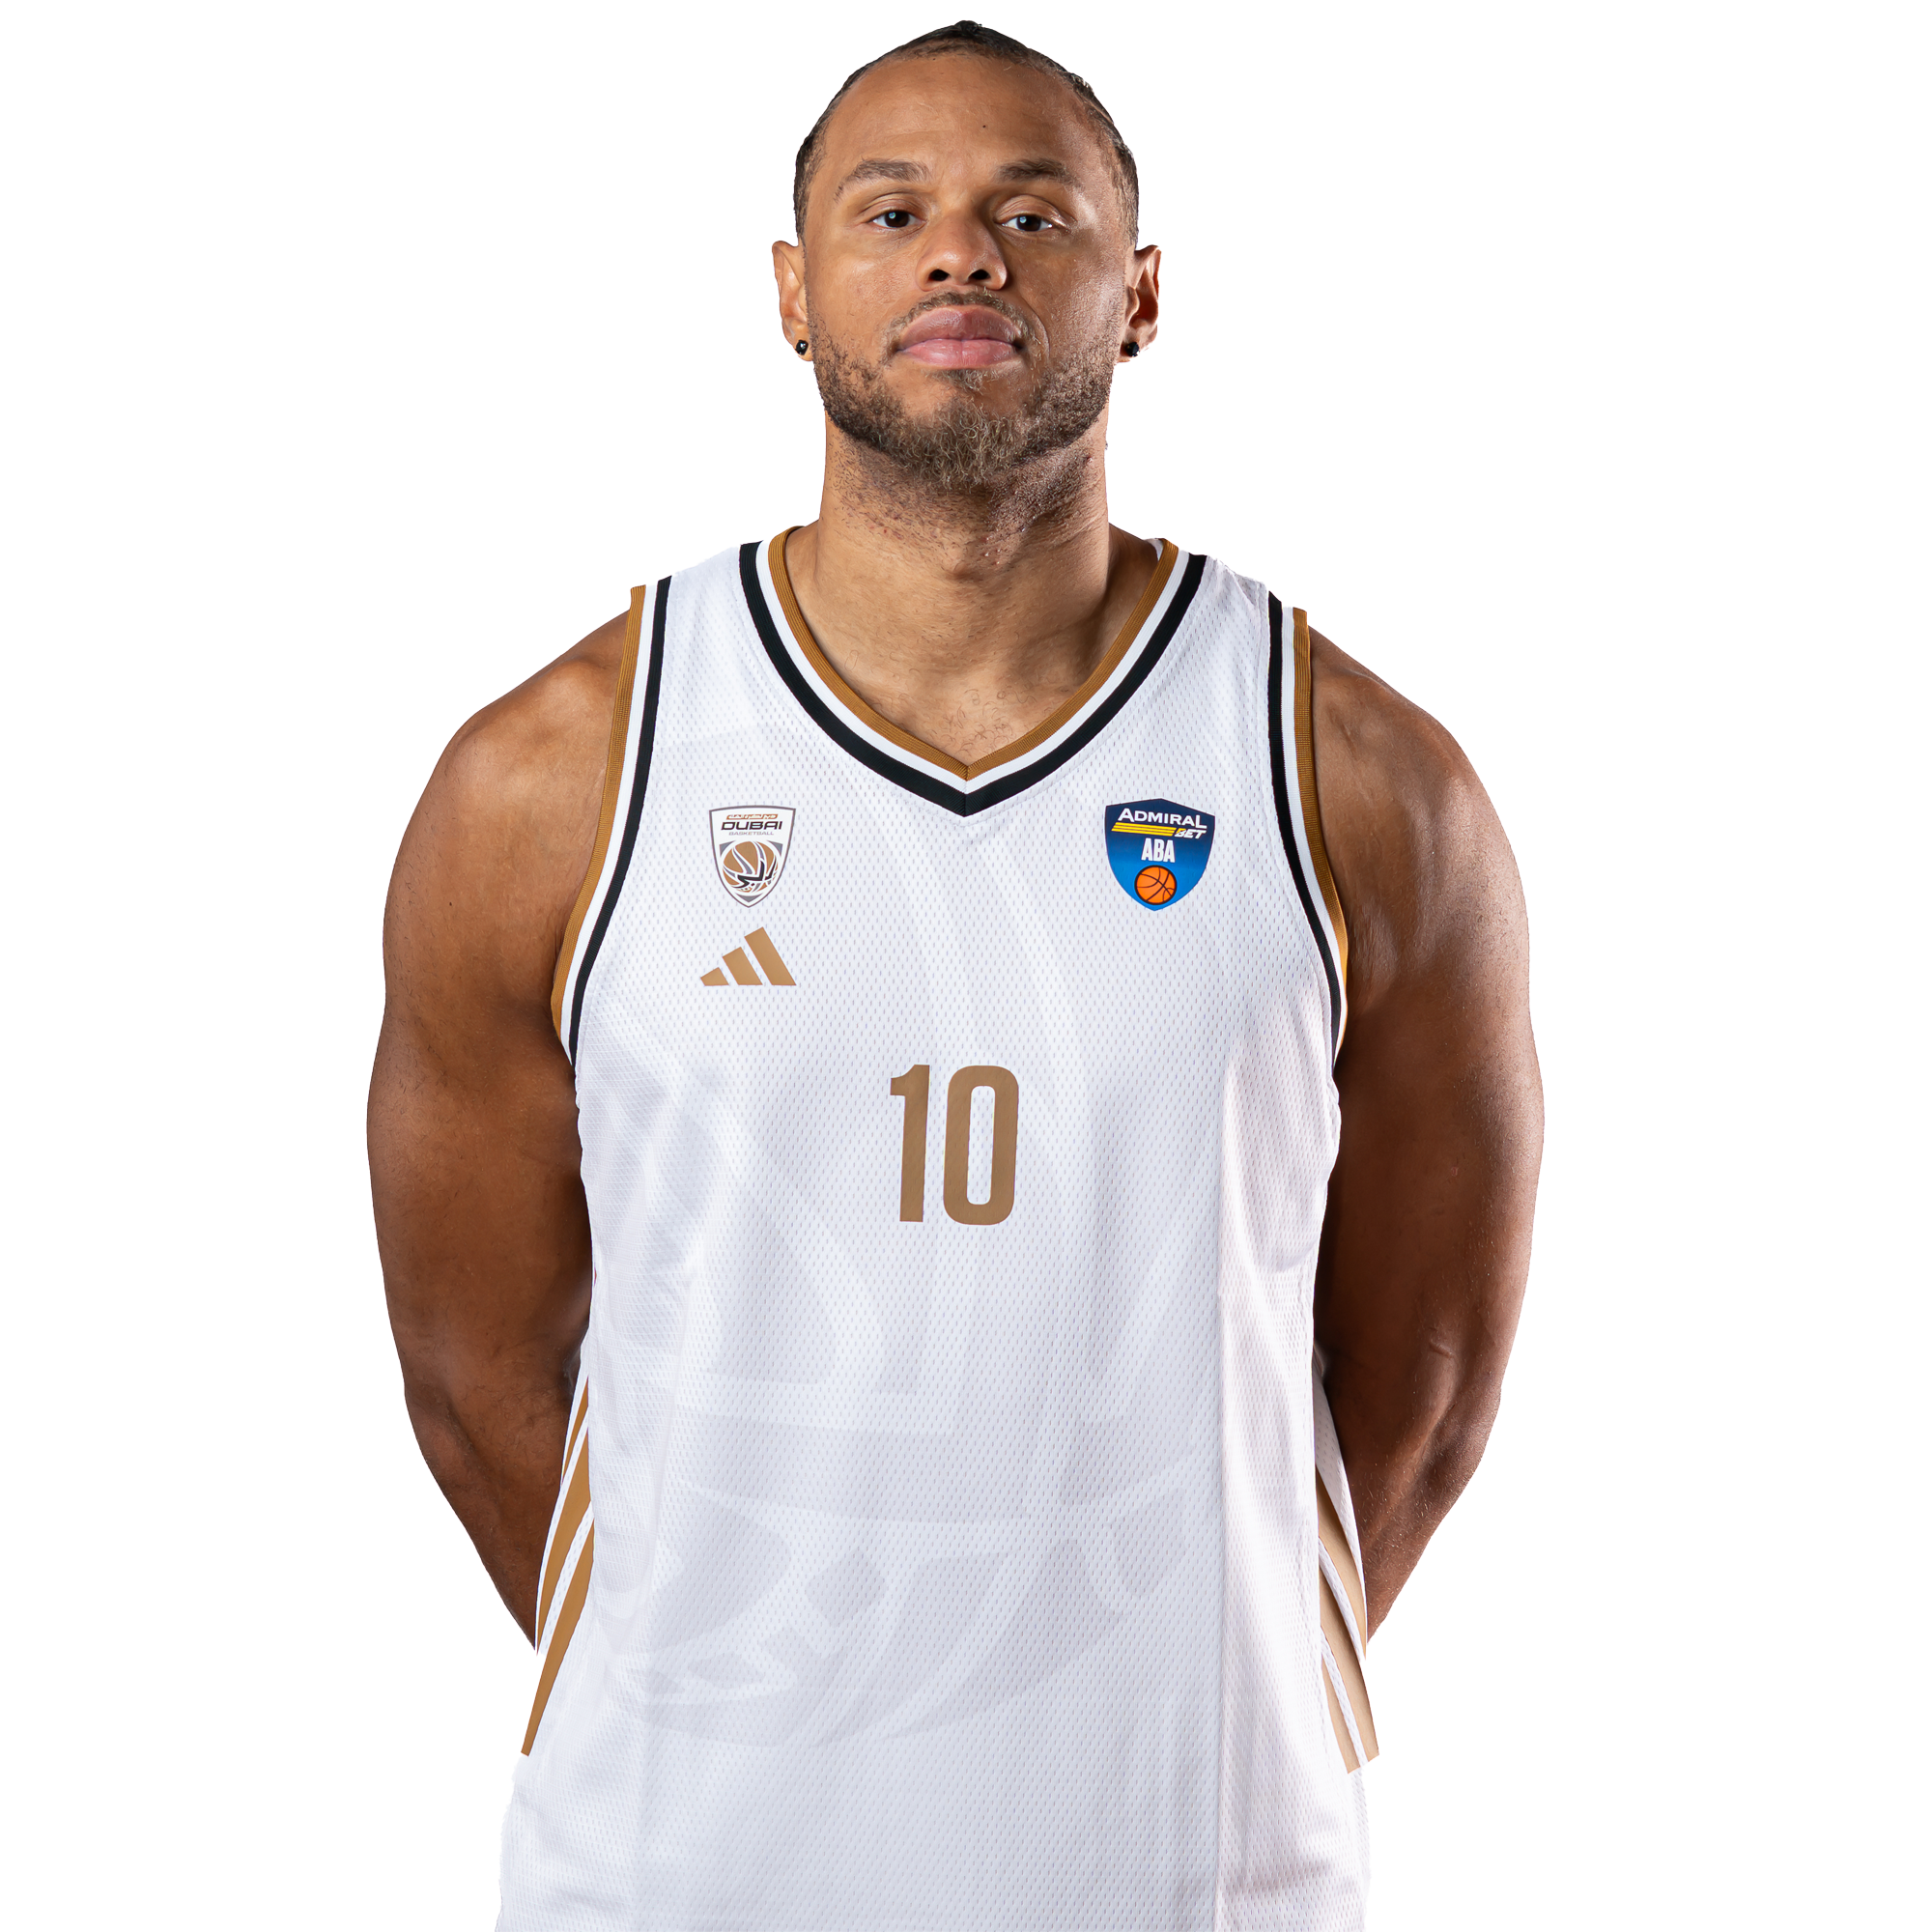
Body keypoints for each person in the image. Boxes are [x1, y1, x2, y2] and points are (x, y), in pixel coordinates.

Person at [369, 20, 1541, 1929]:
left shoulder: (1359, 784)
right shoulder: (555, 780)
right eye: (891, 210)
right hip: (685, 1872)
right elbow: (468, 1378)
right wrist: (738, 1684)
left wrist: (1182, 1668)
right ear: (792, 291)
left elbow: (1427, 1388)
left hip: (1198, 1871)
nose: (962, 254)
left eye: (1032, 212)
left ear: (1138, 293)